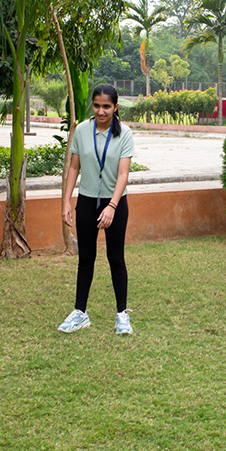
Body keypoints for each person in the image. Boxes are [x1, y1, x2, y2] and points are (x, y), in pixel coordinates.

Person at [58, 84, 135, 335]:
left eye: (106, 106)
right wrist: (66, 201)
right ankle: (80, 313)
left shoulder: (124, 134)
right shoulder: (82, 130)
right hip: (88, 202)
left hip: (115, 203)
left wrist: (112, 206)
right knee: (86, 258)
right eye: (97, 106)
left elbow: (123, 174)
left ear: (115, 107)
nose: (101, 111)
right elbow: (74, 167)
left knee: (116, 258)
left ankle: (122, 315)